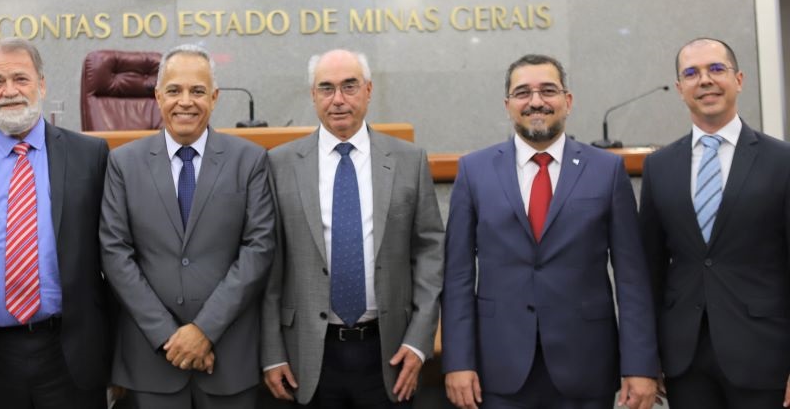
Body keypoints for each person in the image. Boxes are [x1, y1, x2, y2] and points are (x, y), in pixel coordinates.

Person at [442, 54, 658, 409]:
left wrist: (640, 365)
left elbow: (632, 278)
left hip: (587, 366)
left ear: (567, 101)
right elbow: (458, 276)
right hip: (498, 368)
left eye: (548, 90)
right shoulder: (474, 171)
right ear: (508, 104)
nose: (536, 101)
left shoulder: (607, 170)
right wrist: (459, 361)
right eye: (523, 92)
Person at [261, 48, 444, 406]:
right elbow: (269, 265)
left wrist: (420, 340)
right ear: (313, 95)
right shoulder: (279, 164)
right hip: (307, 352)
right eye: (326, 89)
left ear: (369, 90)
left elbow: (430, 253)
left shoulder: (409, 160)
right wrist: (272, 351)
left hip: (389, 349)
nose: (338, 100)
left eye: (349, 86)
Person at [0, 38, 110, 409]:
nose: (10, 91)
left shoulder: (90, 157)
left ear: (42, 85)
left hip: (71, 353)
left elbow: (112, 260)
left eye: (21, 78)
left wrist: (118, 361)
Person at [100, 44, 274, 408]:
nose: (186, 102)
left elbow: (258, 249)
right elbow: (116, 255)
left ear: (214, 97)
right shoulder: (123, 164)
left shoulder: (251, 161)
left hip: (229, 356)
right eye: (175, 90)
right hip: (152, 360)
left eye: (197, 91)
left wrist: (204, 330)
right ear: (157, 95)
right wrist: (168, 336)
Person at [639, 38, 790, 409]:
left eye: (716, 69)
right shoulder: (659, 168)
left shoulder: (781, 161)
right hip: (685, 361)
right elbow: (649, 270)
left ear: (738, 79)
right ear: (679, 89)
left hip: (764, 355)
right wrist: (646, 356)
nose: (704, 80)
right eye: (691, 73)